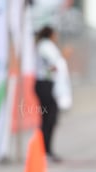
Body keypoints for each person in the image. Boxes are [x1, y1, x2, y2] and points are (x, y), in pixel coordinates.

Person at [34, 26, 63, 162]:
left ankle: (47, 150)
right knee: (48, 118)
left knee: (50, 118)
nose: (56, 36)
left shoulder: (47, 45)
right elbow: (51, 64)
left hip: (47, 84)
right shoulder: (45, 45)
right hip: (43, 84)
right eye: (55, 34)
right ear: (50, 34)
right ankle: (44, 151)